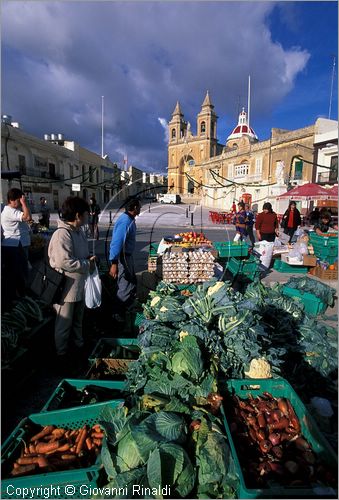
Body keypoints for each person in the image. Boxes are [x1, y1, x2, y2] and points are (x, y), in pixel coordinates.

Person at [48, 196, 96, 372]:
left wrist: (88, 261)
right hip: (65, 289)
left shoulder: (78, 232)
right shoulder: (62, 234)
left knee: (77, 322)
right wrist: (85, 264)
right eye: (86, 214)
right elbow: (63, 261)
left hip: (78, 287)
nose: (88, 216)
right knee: (64, 324)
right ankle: (61, 357)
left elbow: (79, 256)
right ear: (77, 215)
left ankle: (78, 352)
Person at [109, 198, 141, 323]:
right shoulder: (125, 221)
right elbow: (116, 243)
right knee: (125, 286)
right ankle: (117, 315)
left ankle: (125, 312)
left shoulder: (129, 219)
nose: (140, 209)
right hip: (123, 259)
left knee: (130, 283)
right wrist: (114, 263)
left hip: (127, 257)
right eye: (139, 206)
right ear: (134, 208)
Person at [1, 188, 32, 297]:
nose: (20, 202)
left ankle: (20, 293)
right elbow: (27, 217)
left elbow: (29, 218)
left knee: (18, 271)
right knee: (20, 271)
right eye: (19, 200)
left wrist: (24, 204)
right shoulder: (10, 211)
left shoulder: (12, 210)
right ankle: (21, 294)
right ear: (12, 200)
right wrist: (24, 203)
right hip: (14, 245)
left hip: (16, 244)